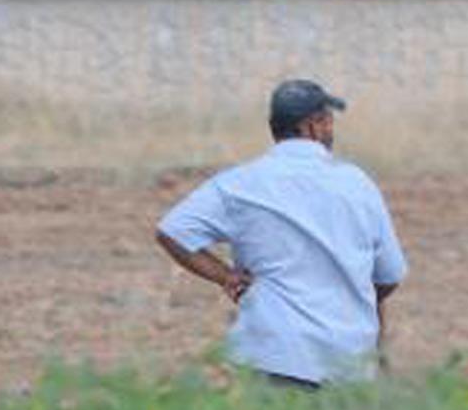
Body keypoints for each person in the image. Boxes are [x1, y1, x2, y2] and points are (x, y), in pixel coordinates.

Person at [155, 79, 407, 389]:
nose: (331, 128)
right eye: (328, 120)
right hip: (345, 362)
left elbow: (173, 230)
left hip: (272, 354)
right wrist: (351, 295)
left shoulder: (239, 183)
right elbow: (389, 275)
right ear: (312, 127)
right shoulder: (358, 184)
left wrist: (225, 275)